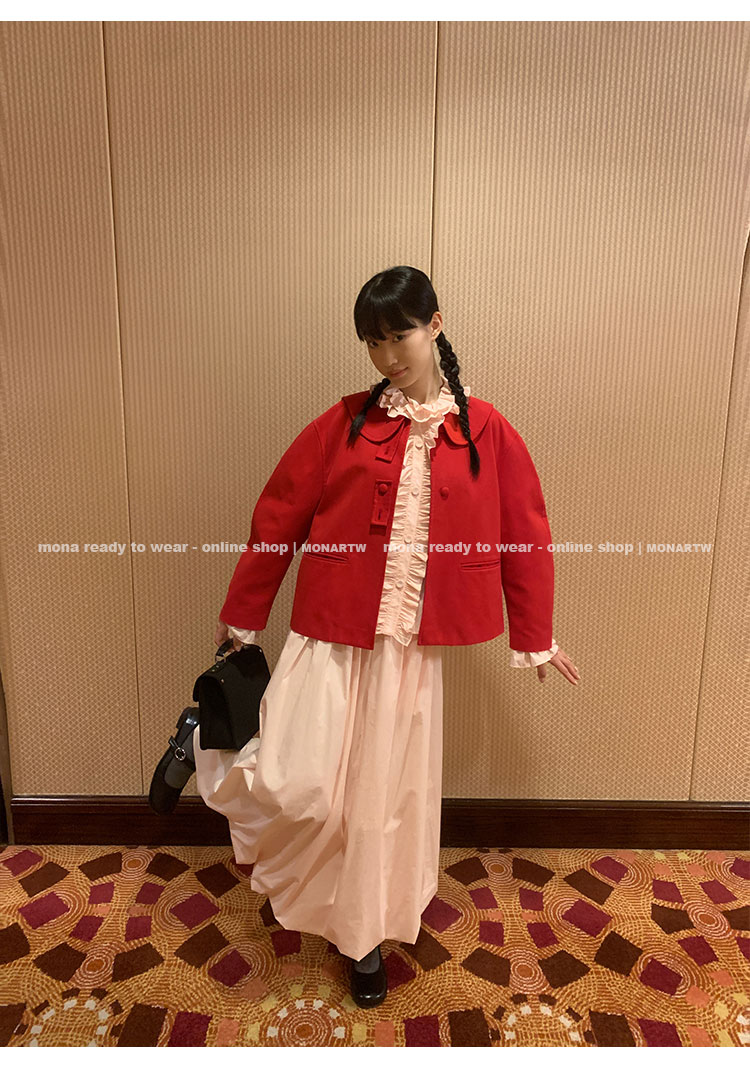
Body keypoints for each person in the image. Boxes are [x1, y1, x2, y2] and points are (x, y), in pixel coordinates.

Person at [180, 266, 579, 1008]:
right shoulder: (342, 424)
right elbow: (278, 517)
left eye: (399, 335)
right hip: (331, 635)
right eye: (372, 342)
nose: (388, 355)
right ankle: (205, 740)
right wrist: (243, 614)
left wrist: (536, 635)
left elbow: (525, 533)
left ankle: (361, 937)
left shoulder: (486, 431)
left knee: (382, 807)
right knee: (301, 790)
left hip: (412, 652)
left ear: (435, 325)